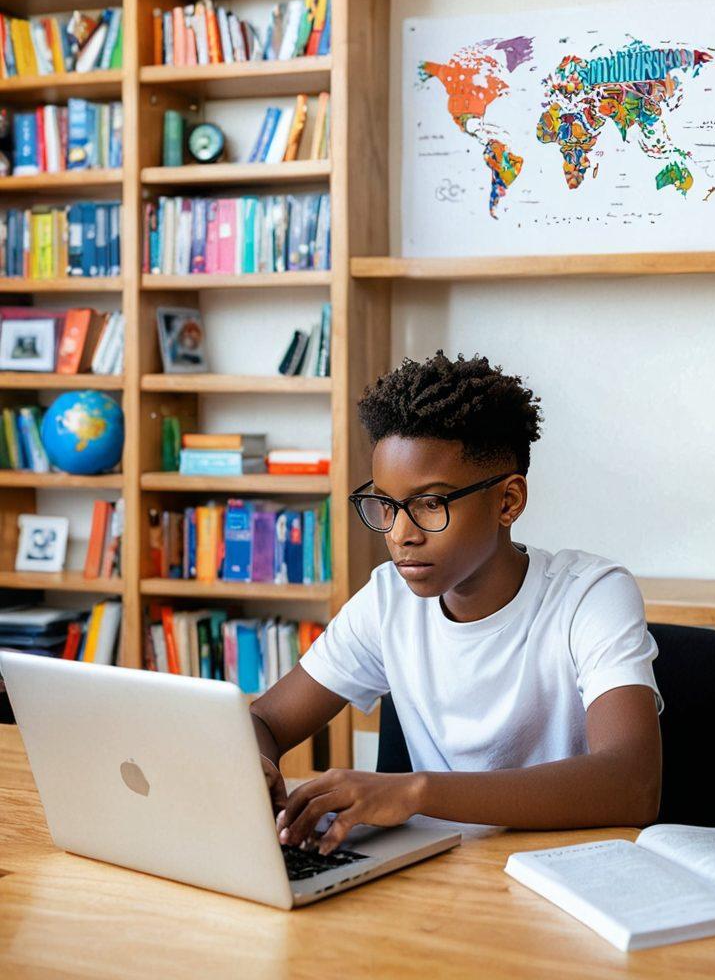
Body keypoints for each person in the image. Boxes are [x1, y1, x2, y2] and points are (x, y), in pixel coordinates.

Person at [251, 350, 662, 855]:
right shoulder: (387, 601)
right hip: (442, 880)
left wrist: (417, 791)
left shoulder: (590, 596)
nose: (401, 534)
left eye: (431, 503)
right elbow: (264, 721)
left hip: (568, 880)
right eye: (386, 504)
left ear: (507, 502)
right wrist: (258, 766)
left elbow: (632, 783)